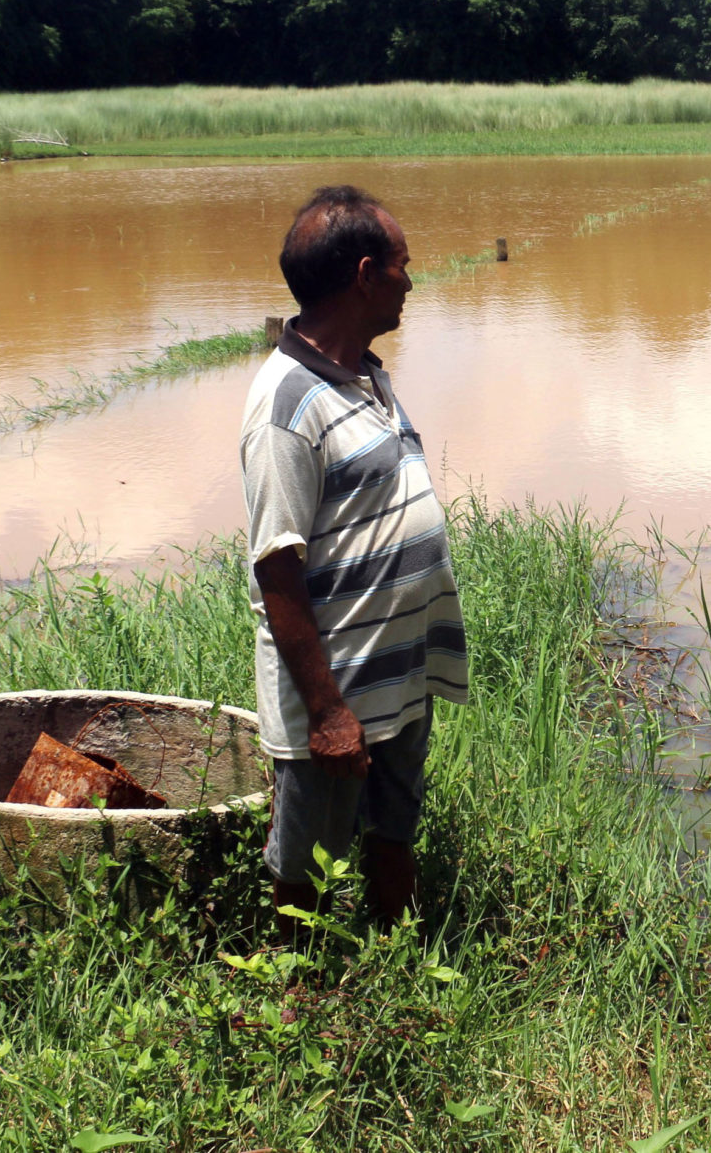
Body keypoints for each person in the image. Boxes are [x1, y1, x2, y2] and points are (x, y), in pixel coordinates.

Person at [239, 185, 467, 931]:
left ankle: (397, 959)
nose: (412, 279)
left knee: (394, 828)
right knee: (305, 870)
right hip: (335, 693)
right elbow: (277, 568)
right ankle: (294, 1000)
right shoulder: (286, 408)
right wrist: (329, 711)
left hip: (396, 673)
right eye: (404, 265)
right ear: (366, 273)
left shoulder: (365, 372)